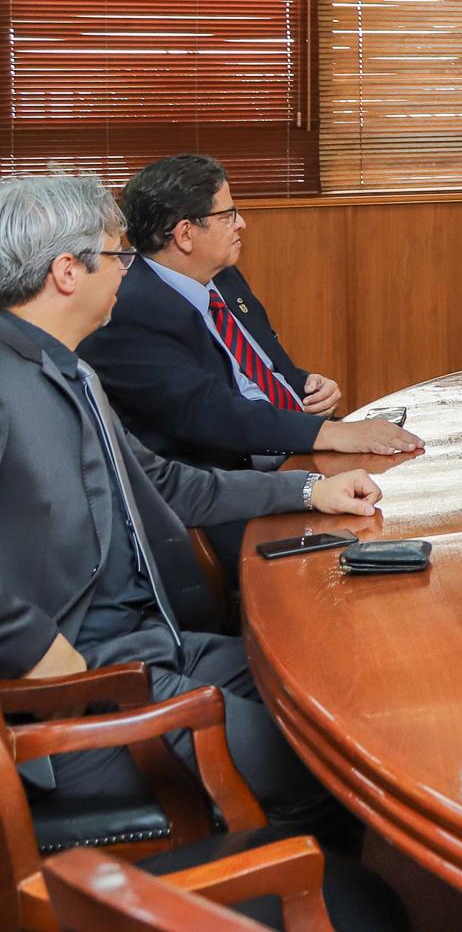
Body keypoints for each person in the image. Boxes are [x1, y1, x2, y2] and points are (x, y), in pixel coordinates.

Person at [0, 174, 383, 838]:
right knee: (323, 764)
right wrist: (34, 650)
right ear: (68, 272)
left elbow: (169, 483)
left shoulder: (71, 368)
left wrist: (307, 490)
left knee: (337, 692)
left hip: (160, 643)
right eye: (118, 254)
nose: (129, 270)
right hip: (85, 693)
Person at [80, 154, 423, 471]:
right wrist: (329, 434)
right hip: (236, 484)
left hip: (298, 448)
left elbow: (257, 366)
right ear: (185, 234)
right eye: (227, 215)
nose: (241, 223)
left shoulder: (222, 274)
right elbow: (208, 411)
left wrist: (307, 386)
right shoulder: (130, 310)